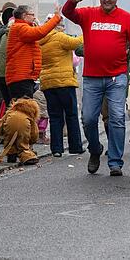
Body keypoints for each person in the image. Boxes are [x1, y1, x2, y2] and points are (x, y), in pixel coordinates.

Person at [62, 0, 130, 176]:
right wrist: (73, 1)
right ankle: (94, 149)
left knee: (116, 118)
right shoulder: (88, 14)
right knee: (89, 119)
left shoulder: (126, 18)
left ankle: (115, 162)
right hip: (92, 77)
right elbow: (67, 13)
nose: (107, 0)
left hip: (117, 77)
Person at [39, 15, 84, 157]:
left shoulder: (41, 40)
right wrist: (87, 32)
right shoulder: (59, 37)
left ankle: (56, 149)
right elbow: (77, 43)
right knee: (71, 114)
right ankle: (75, 146)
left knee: (55, 116)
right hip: (64, 82)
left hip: (48, 82)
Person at [4, 5, 62, 100]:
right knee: (23, 110)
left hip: (23, 76)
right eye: (32, 14)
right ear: (24, 16)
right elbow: (40, 32)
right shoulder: (20, 27)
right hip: (21, 77)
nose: (34, 17)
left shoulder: (22, 27)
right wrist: (56, 18)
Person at [0, 98, 40, 165]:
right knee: (22, 144)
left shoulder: (10, 112)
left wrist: (1, 133)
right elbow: (34, 132)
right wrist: (32, 141)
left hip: (9, 127)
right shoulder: (30, 116)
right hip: (24, 128)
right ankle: (26, 156)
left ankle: (11, 154)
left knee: (9, 141)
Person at [0, 6, 15, 109]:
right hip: (8, 72)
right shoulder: (13, 34)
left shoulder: (0, 33)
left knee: (7, 103)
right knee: (13, 104)